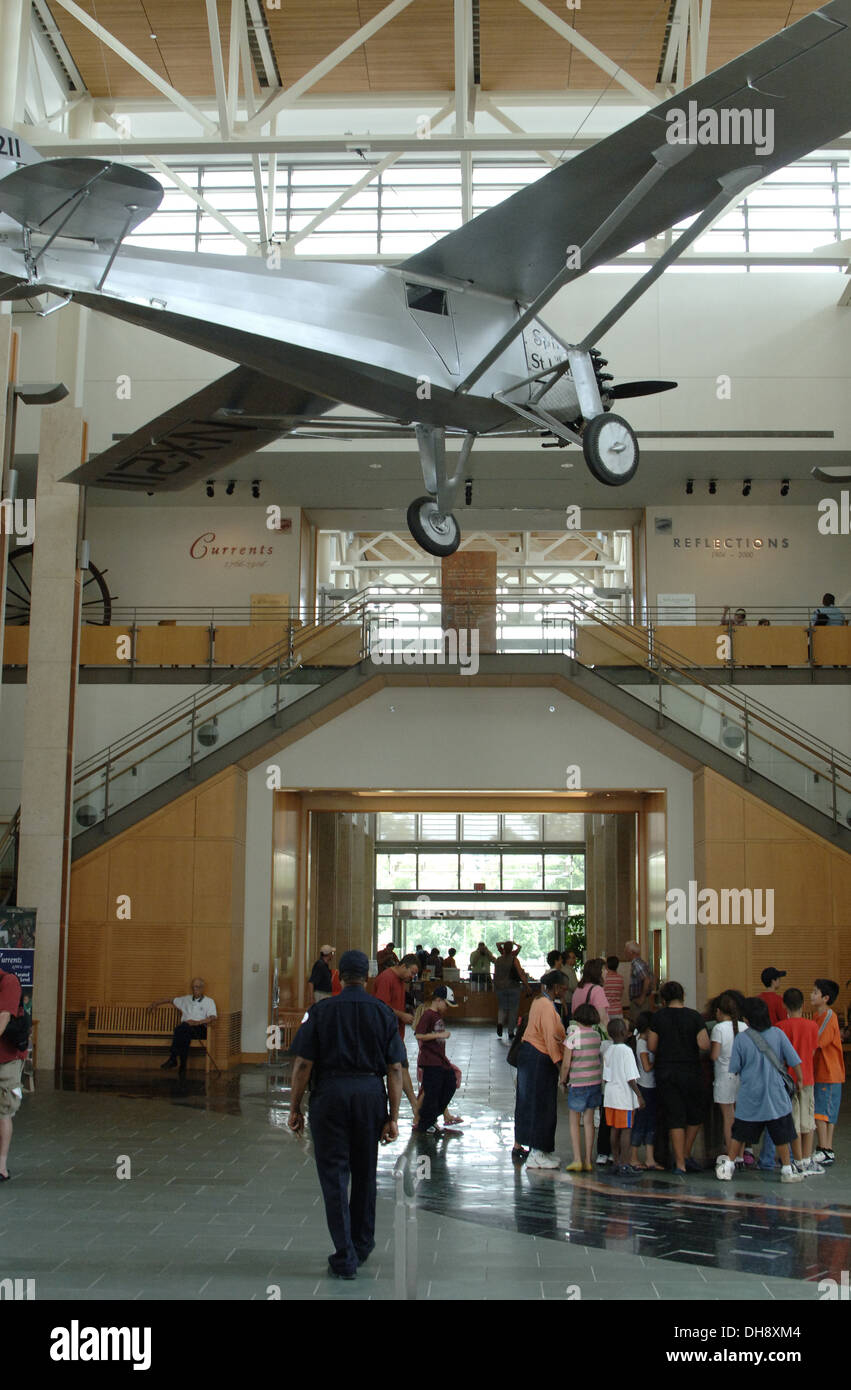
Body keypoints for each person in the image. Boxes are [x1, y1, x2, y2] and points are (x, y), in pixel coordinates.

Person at [288, 949, 404, 1279]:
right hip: (370, 1095)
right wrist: (393, 1116)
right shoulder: (383, 1013)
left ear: (338, 975)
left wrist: (295, 1107)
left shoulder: (320, 1011)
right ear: (366, 977)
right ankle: (362, 1243)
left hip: (330, 1097)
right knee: (366, 1170)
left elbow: (303, 1064)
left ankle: (345, 1253)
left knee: (335, 1174)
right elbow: (395, 1068)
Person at [715, 997, 804, 1185]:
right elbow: (794, 1060)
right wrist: (800, 1081)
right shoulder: (778, 1034)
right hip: (775, 1094)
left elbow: (735, 1068)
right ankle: (787, 1169)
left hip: (750, 1095)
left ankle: (729, 1166)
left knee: (739, 1133)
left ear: (747, 1019)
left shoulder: (741, 1039)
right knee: (782, 1131)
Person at [647, 980, 711, 1175]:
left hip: (666, 1071)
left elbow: (651, 1046)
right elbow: (704, 1044)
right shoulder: (694, 1016)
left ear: (664, 999)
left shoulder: (658, 1017)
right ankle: (685, 1153)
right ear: (683, 996)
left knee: (675, 1116)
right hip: (691, 1070)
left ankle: (680, 1163)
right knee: (695, 1116)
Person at [514, 969, 569, 1168]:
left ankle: (542, 1150)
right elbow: (550, 1038)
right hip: (539, 1058)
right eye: (564, 988)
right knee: (541, 1105)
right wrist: (561, 1066)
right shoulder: (546, 1006)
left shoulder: (539, 1001)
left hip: (531, 1056)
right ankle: (536, 1152)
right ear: (555, 987)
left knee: (535, 1103)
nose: (565, 992)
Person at [777, 987, 823, 1175]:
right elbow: (812, 1052)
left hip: (787, 1080)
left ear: (784, 1005)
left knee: (792, 1121)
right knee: (808, 1120)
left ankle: (795, 1160)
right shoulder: (812, 1026)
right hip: (807, 1077)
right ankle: (806, 1159)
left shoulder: (780, 1027)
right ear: (803, 1004)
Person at [372, 954, 420, 1121]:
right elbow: (380, 1006)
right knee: (397, 1069)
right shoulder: (386, 978)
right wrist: (401, 1015)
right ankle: (399, 1113)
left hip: (395, 1033)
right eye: (412, 973)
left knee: (401, 1068)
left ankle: (414, 1107)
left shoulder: (400, 981)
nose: (412, 977)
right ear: (404, 965)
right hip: (385, 1034)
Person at [562, 1002, 604, 1172]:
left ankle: (577, 1159)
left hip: (578, 1084)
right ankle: (588, 1160)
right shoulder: (596, 1035)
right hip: (594, 1083)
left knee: (574, 1121)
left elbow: (566, 1064)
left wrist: (562, 1080)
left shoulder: (573, 1034)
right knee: (589, 1122)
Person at [601, 1017, 644, 1174]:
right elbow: (631, 1078)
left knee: (614, 1129)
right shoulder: (627, 1051)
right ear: (623, 1033)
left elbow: (606, 1077)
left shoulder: (608, 1050)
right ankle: (625, 1164)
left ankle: (616, 1161)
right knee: (626, 1129)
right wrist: (639, 1095)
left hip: (610, 1096)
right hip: (623, 1097)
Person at [414, 986, 459, 1133]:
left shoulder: (437, 1016)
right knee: (431, 1092)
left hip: (439, 1060)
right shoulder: (428, 1015)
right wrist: (438, 1035)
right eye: (446, 1004)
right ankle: (425, 1123)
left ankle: (430, 1118)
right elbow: (419, 1035)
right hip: (430, 1061)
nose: (447, 1008)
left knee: (449, 1081)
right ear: (438, 1000)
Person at [150, 978, 217, 1074]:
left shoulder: (209, 1001)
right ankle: (182, 1066)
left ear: (202, 988)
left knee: (180, 1029)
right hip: (186, 1029)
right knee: (184, 1033)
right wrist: (155, 1003)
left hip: (199, 1028)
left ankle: (174, 1059)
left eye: (197, 987)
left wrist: (197, 1022)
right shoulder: (185, 999)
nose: (195, 989)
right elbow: (170, 1000)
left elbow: (213, 1017)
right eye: (193, 987)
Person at [710, 993, 748, 1161]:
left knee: (728, 1118)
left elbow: (715, 1055)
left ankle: (731, 1155)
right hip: (742, 1075)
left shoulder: (718, 1029)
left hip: (724, 1076)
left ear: (719, 1011)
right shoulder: (744, 1027)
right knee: (740, 1115)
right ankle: (740, 1153)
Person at [812, 978, 844, 1166]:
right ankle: (826, 1148)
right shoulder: (818, 1016)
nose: (812, 995)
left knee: (822, 1112)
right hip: (824, 1072)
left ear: (825, 998)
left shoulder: (828, 1017)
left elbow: (817, 1042)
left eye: (816, 992)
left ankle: (825, 1148)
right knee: (826, 1111)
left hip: (829, 1073)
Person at [0, 964, 27, 1182]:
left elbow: (4, 1018)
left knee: (5, 1110)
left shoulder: (8, 982)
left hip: (7, 1059)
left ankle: (1, 1166)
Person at [628, 1011, 662, 1170]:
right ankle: (634, 1157)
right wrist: (658, 1057)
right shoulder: (642, 1043)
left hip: (650, 1086)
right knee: (641, 1122)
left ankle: (650, 1158)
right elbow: (647, 1067)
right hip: (645, 1086)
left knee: (650, 1123)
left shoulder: (640, 1040)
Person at [494, 941, 527, 1040]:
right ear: (512, 949)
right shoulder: (514, 959)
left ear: (503, 949)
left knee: (502, 1007)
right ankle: (510, 1032)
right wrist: (527, 986)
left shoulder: (498, 960)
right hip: (513, 987)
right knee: (513, 1009)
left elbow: (495, 974)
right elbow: (520, 974)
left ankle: (500, 1022)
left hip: (500, 987)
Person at [571, 958, 609, 1031]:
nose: (606, 972)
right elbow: (602, 1019)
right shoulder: (597, 990)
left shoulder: (578, 989)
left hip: (579, 1034)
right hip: (593, 1036)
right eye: (604, 969)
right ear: (597, 972)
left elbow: (573, 1012)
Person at [624, 941, 655, 1020]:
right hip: (640, 1000)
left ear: (631, 952)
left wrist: (642, 997)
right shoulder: (641, 962)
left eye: (626, 951)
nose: (625, 953)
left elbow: (647, 980)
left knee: (638, 1024)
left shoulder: (637, 964)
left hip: (639, 1002)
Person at [603, 955, 625, 1021]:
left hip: (606, 1011)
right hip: (618, 1011)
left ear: (607, 965)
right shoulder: (620, 978)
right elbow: (621, 994)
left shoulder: (604, 978)